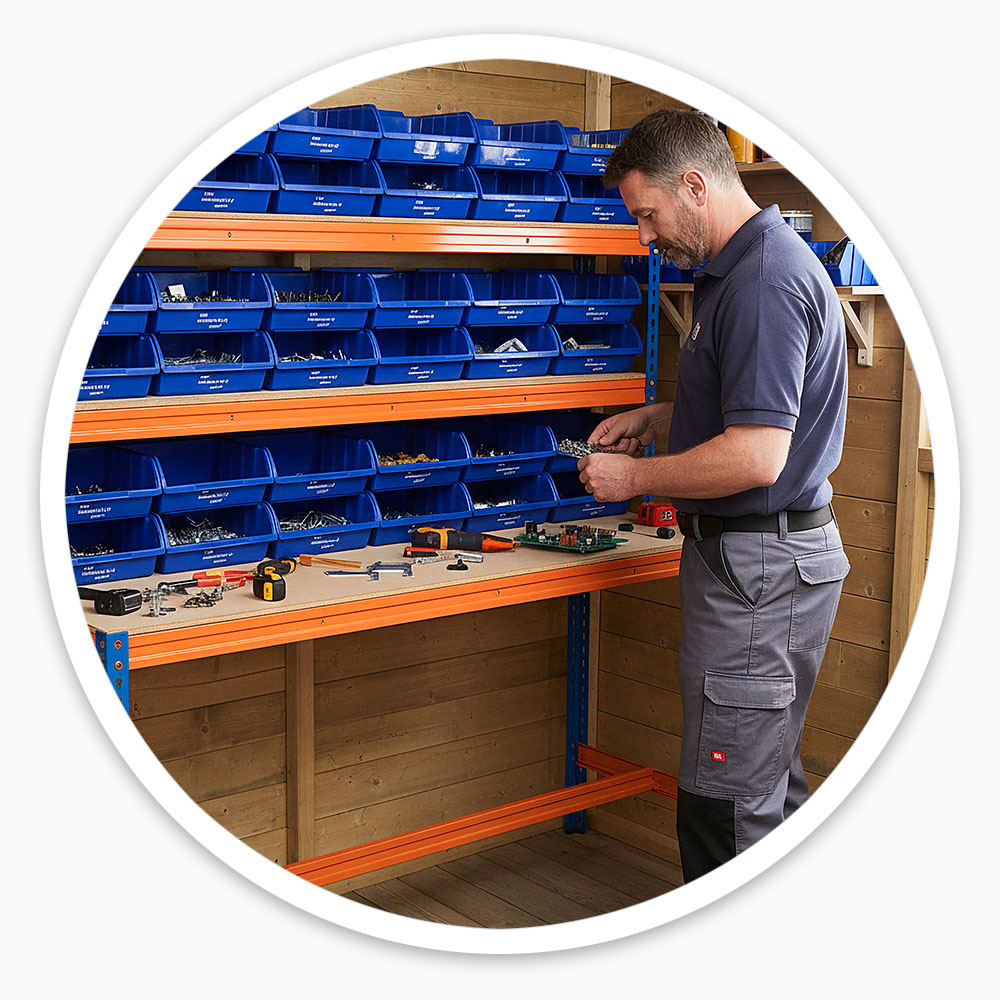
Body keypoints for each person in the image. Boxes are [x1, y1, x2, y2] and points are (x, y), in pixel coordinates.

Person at [578, 110, 851, 882]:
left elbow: (758, 456)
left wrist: (634, 478)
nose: (644, 236)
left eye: (647, 215)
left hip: (760, 575)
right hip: (762, 569)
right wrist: (660, 419)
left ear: (694, 186)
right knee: (765, 786)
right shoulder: (740, 268)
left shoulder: (763, 282)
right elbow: (756, 416)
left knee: (725, 808)